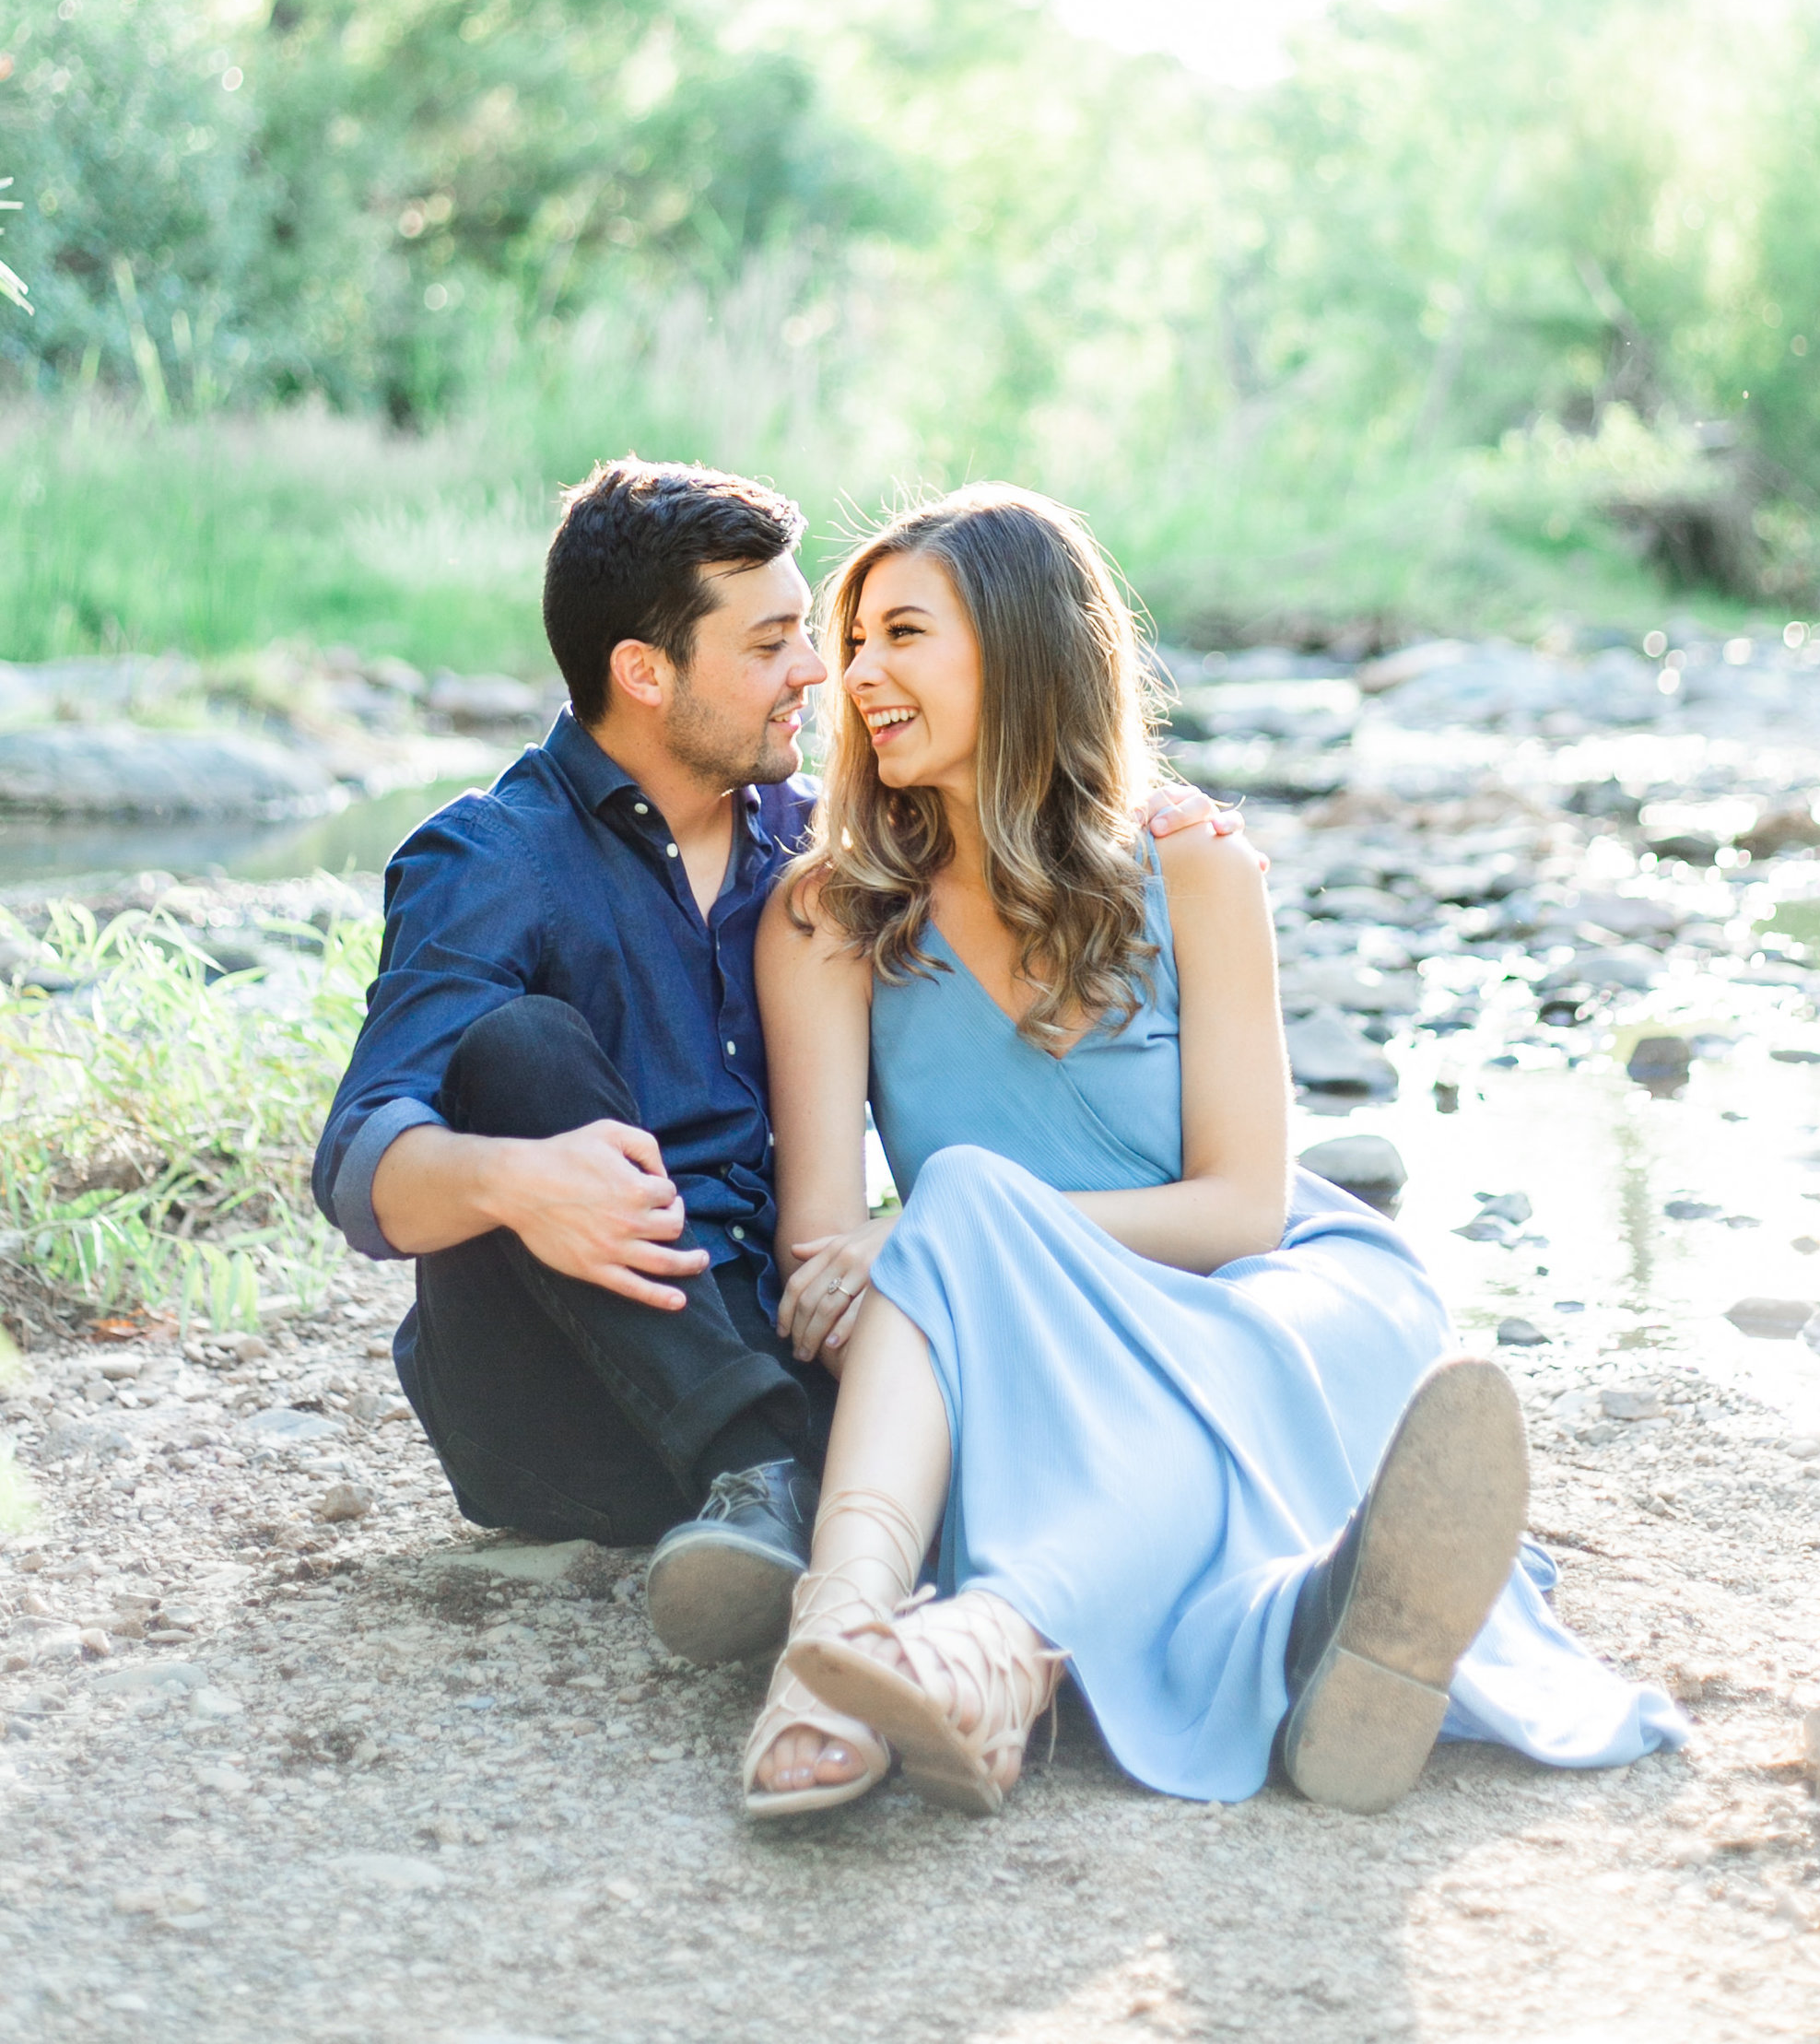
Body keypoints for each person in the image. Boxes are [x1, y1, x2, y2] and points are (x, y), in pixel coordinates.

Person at [743, 485, 1685, 1818]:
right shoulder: (829, 912)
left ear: (1021, 651)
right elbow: (828, 1257)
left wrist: (938, 1233)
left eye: (904, 634)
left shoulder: (1192, 870)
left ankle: (987, 1647)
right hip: (1022, 1322)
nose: (860, 675)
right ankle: (849, 1642)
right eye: (854, 643)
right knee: (957, 1222)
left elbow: (1245, 1209)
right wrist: (925, 1243)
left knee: (970, 1212)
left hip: (1270, 1287)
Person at [311, 456, 1241, 1664]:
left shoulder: (826, 857)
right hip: (560, 1395)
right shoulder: (494, 860)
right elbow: (358, 1155)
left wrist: (1162, 821)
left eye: (813, 633)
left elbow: (1014, 817)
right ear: (644, 674)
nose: (820, 673)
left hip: (777, 1348)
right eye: (772, 645)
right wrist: (510, 1184)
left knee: (979, 1424)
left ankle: (813, 1517)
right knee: (518, 1051)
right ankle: (757, 1479)